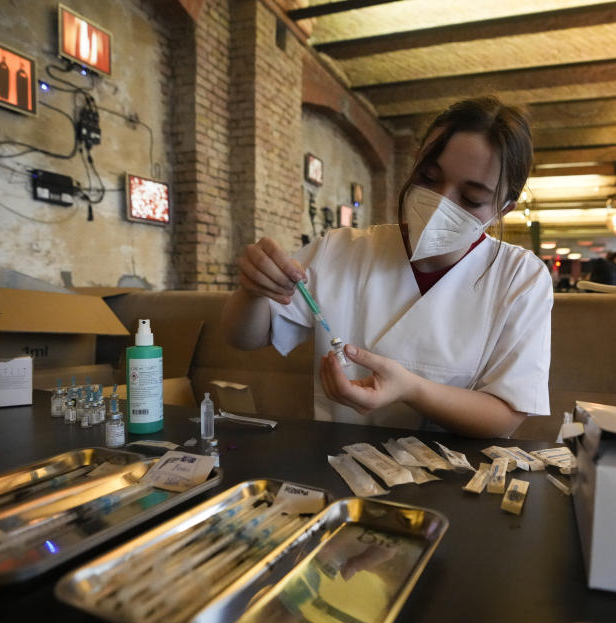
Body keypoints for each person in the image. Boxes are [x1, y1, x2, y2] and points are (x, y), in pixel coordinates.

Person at [221, 97, 552, 438]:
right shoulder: (339, 250)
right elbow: (244, 337)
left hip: (459, 478)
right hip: (336, 461)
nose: (440, 203)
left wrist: (411, 389)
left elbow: (505, 416)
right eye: (428, 177)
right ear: (414, 163)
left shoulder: (521, 278)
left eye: (471, 199)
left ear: (504, 209)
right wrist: (253, 292)